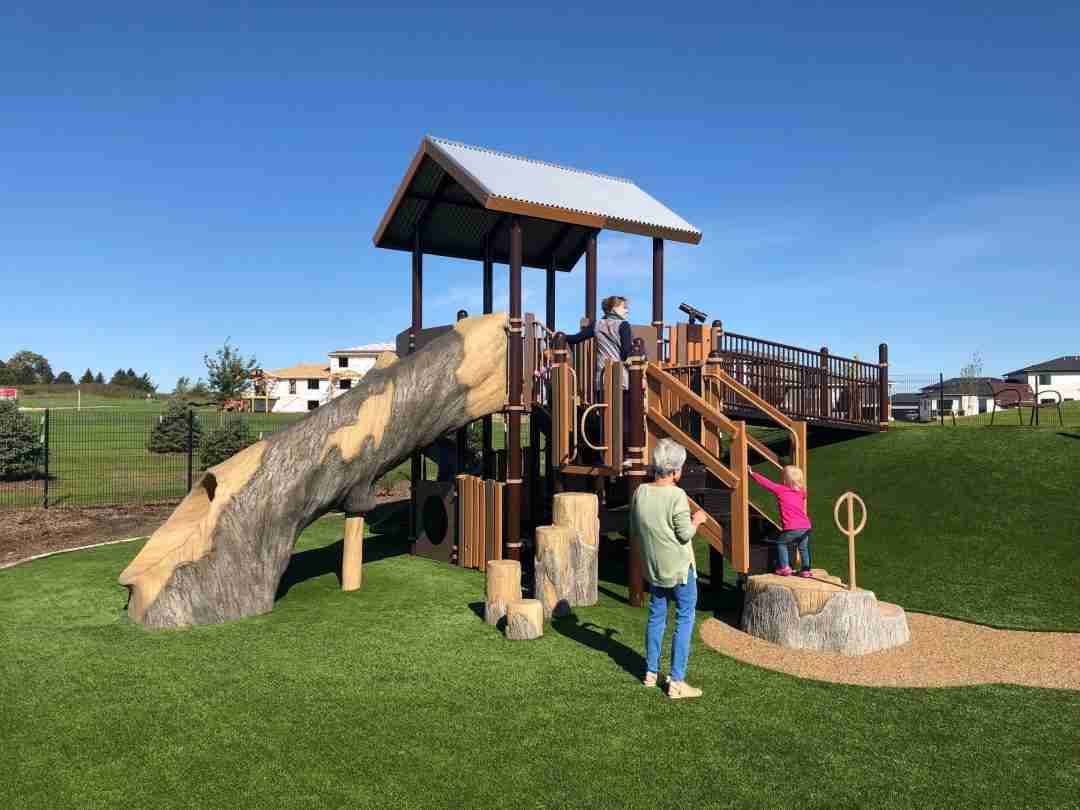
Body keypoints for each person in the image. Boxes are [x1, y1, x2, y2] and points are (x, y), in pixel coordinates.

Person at [629, 438, 708, 699]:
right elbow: (685, 534)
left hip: (655, 569)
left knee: (656, 617)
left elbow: (634, 528)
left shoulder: (640, 492)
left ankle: (650, 673)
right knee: (684, 619)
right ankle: (677, 681)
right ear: (674, 471)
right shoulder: (677, 495)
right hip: (680, 570)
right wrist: (698, 519)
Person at [564, 295, 633, 397]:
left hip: (602, 378)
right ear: (614, 309)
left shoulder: (597, 324)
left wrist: (561, 336)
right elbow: (626, 352)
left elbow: (576, 338)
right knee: (622, 411)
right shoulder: (624, 325)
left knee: (604, 411)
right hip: (620, 377)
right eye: (624, 307)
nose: (627, 310)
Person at [750, 466, 812, 577]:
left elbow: (767, 483)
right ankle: (806, 570)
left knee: (781, 543)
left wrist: (752, 474)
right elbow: (803, 495)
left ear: (785, 480)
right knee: (803, 548)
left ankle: (785, 567)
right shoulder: (802, 492)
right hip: (806, 526)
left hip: (792, 527)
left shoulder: (781, 489)